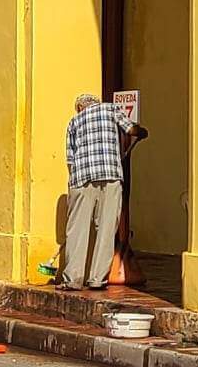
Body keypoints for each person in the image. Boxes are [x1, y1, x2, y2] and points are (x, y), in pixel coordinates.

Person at [59, 92, 141, 290]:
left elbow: (70, 159)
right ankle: (97, 279)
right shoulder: (111, 109)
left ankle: (73, 279)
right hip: (110, 174)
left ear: (80, 108)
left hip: (81, 177)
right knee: (105, 227)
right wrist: (142, 132)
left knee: (76, 229)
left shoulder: (74, 121)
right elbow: (131, 129)